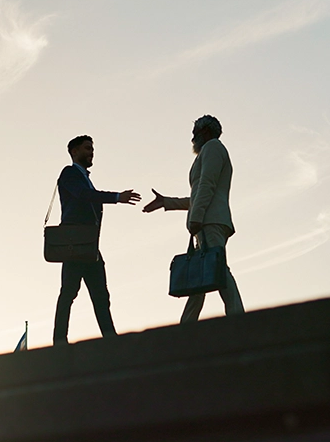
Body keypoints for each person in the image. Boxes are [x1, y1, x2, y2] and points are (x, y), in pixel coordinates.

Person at [143, 114, 244, 322]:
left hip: (210, 221)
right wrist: (167, 202)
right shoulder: (209, 151)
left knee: (217, 269)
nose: (192, 138)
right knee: (201, 274)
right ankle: (187, 326)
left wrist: (195, 218)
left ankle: (238, 318)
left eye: (194, 133)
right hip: (207, 221)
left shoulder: (213, 147)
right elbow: (199, 194)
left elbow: (207, 185)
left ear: (204, 132)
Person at [53, 135, 141, 345]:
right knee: (69, 293)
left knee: (100, 295)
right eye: (87, 148)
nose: (91, 152)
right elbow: (84, 195)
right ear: (74, 151)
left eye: (92, 148)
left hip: (89, 246)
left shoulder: (84, 177)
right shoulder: (69, 173)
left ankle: (110, 339)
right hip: (75, 245)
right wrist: (117, 197)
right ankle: (59, 341)